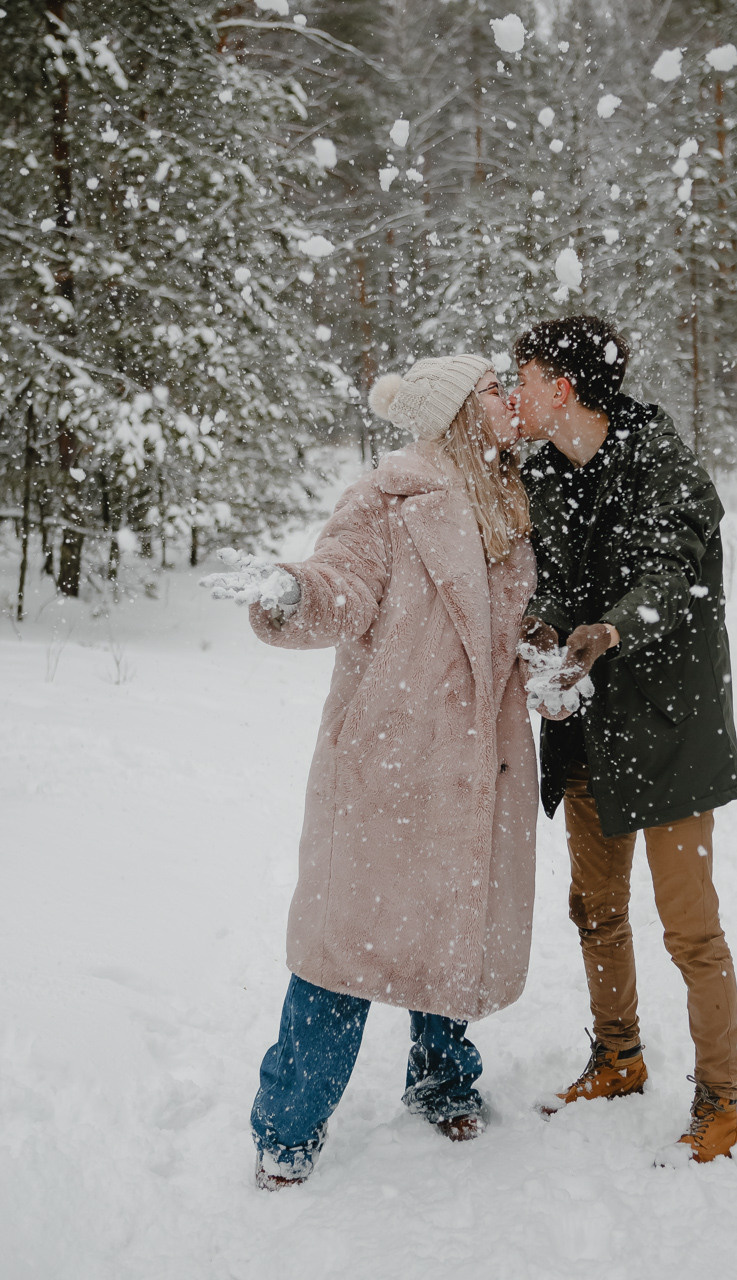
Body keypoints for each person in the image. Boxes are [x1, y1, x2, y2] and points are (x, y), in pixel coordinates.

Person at [206, 355, 538, 1188]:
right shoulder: (388, 498)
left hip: (478, 762)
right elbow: (342, 584)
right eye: (494, 388)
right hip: (392, 760)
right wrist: (290, 592)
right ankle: (287, 1127)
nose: (509, 397)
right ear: (461, 409)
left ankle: (440, 1079)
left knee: (451, 929)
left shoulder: (513, 500)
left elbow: (518, 632)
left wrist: (553, 667)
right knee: (341, 954)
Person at [510, 315, 737, 1163]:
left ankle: (718, 1099)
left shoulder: (662, 463)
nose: (515, 392)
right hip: (584, 730)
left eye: (524, 376)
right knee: (594, 909)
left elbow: (669, 576)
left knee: (690, 930)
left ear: (563, 389)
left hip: (666, 725)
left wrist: (605, 634)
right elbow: (553, 578)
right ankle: (617, 1055)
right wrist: (542, 630)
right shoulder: (543, 471)